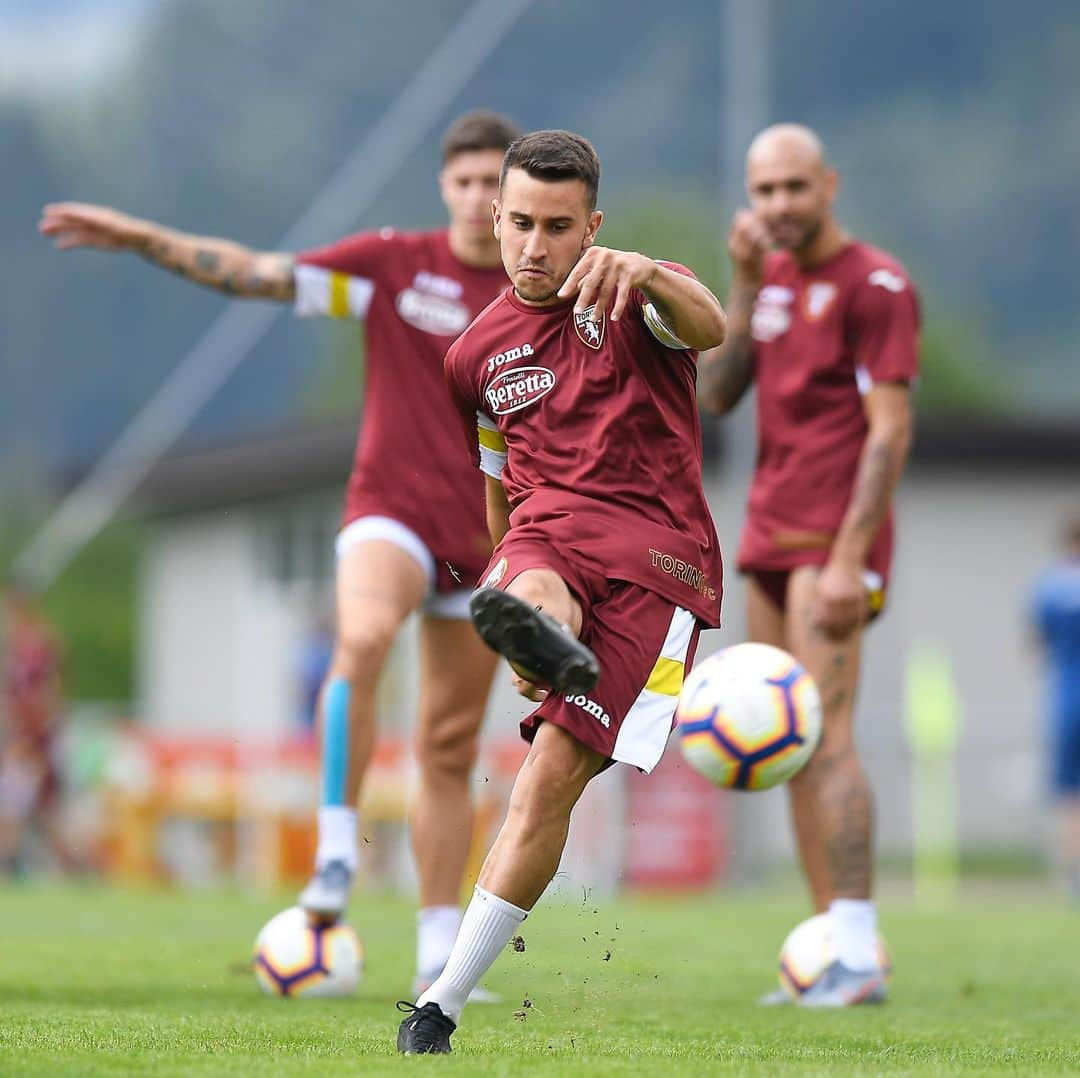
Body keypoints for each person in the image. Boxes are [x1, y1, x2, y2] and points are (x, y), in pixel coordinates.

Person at [39, 110, 522, 996]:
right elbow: (261, 276)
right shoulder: (390, 269)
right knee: (366, 635)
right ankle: (335, 856)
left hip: (484, 541)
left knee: (449, 749)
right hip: (392, 512)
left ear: (516, 198)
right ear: (444, 188)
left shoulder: (541, 294)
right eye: (465, 180)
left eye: (497, 183)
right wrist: (145, 238)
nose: (479, 197)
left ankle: (436, 953)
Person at [394, 129, 727, 1054]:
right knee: (531, 573)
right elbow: (500, 496)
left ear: (592, 228)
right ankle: (534, 630)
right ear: (494, 220)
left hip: (658, 568)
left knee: (543, 790)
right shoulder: (473, 357)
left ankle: (442, 1005)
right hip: (544, 543)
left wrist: (649, 274)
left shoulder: (635, 293)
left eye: (558, 227)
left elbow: (711, 324)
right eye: (520, 224)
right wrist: (509, 593)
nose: (535, 246)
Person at [697, 124, 919, 1007]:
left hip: (832, 544)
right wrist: (744, 284)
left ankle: (860, 953)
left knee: (827, 737)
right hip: (768, 533)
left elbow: (892, 429)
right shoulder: (773, 276)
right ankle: (828, 948)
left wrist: (849, 558)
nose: (780, 206)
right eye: (764, 191)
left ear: (829, 184)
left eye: (795, 187)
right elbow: (716, 393)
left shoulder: (877, 285)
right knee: (785, 748)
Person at [0, 580, 81, 873]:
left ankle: (10, 858)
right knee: (36, 804)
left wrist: (39, 728)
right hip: (23, 730)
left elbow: (50, 689)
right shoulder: (13, 642)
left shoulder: (41, 641)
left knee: (23, 796)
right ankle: (74, 865)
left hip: (37, 732)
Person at [1031, 515, 1080, 901]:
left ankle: (1074, 878)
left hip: (1067, 697)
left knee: (1071, 793)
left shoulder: (1049, 586)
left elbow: (1037, 641)